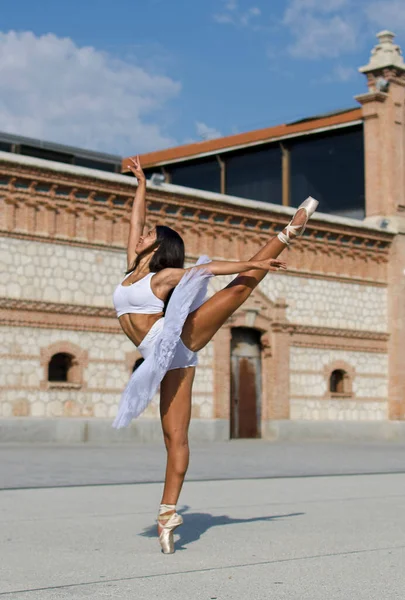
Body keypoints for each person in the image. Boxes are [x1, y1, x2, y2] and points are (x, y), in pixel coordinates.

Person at [112, 156, 318, 554]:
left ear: (158, 246)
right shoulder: (130, 269)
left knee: (238, 289)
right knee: (172, 437)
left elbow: (211, 271)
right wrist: (140, 183)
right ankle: (169, 515)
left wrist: (256, 263)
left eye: (147, 236)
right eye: (140, 235)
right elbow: (135, 220)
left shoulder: (164, 276)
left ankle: (288, 232)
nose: (138, 237)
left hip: (177, 339)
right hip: (157, 359)